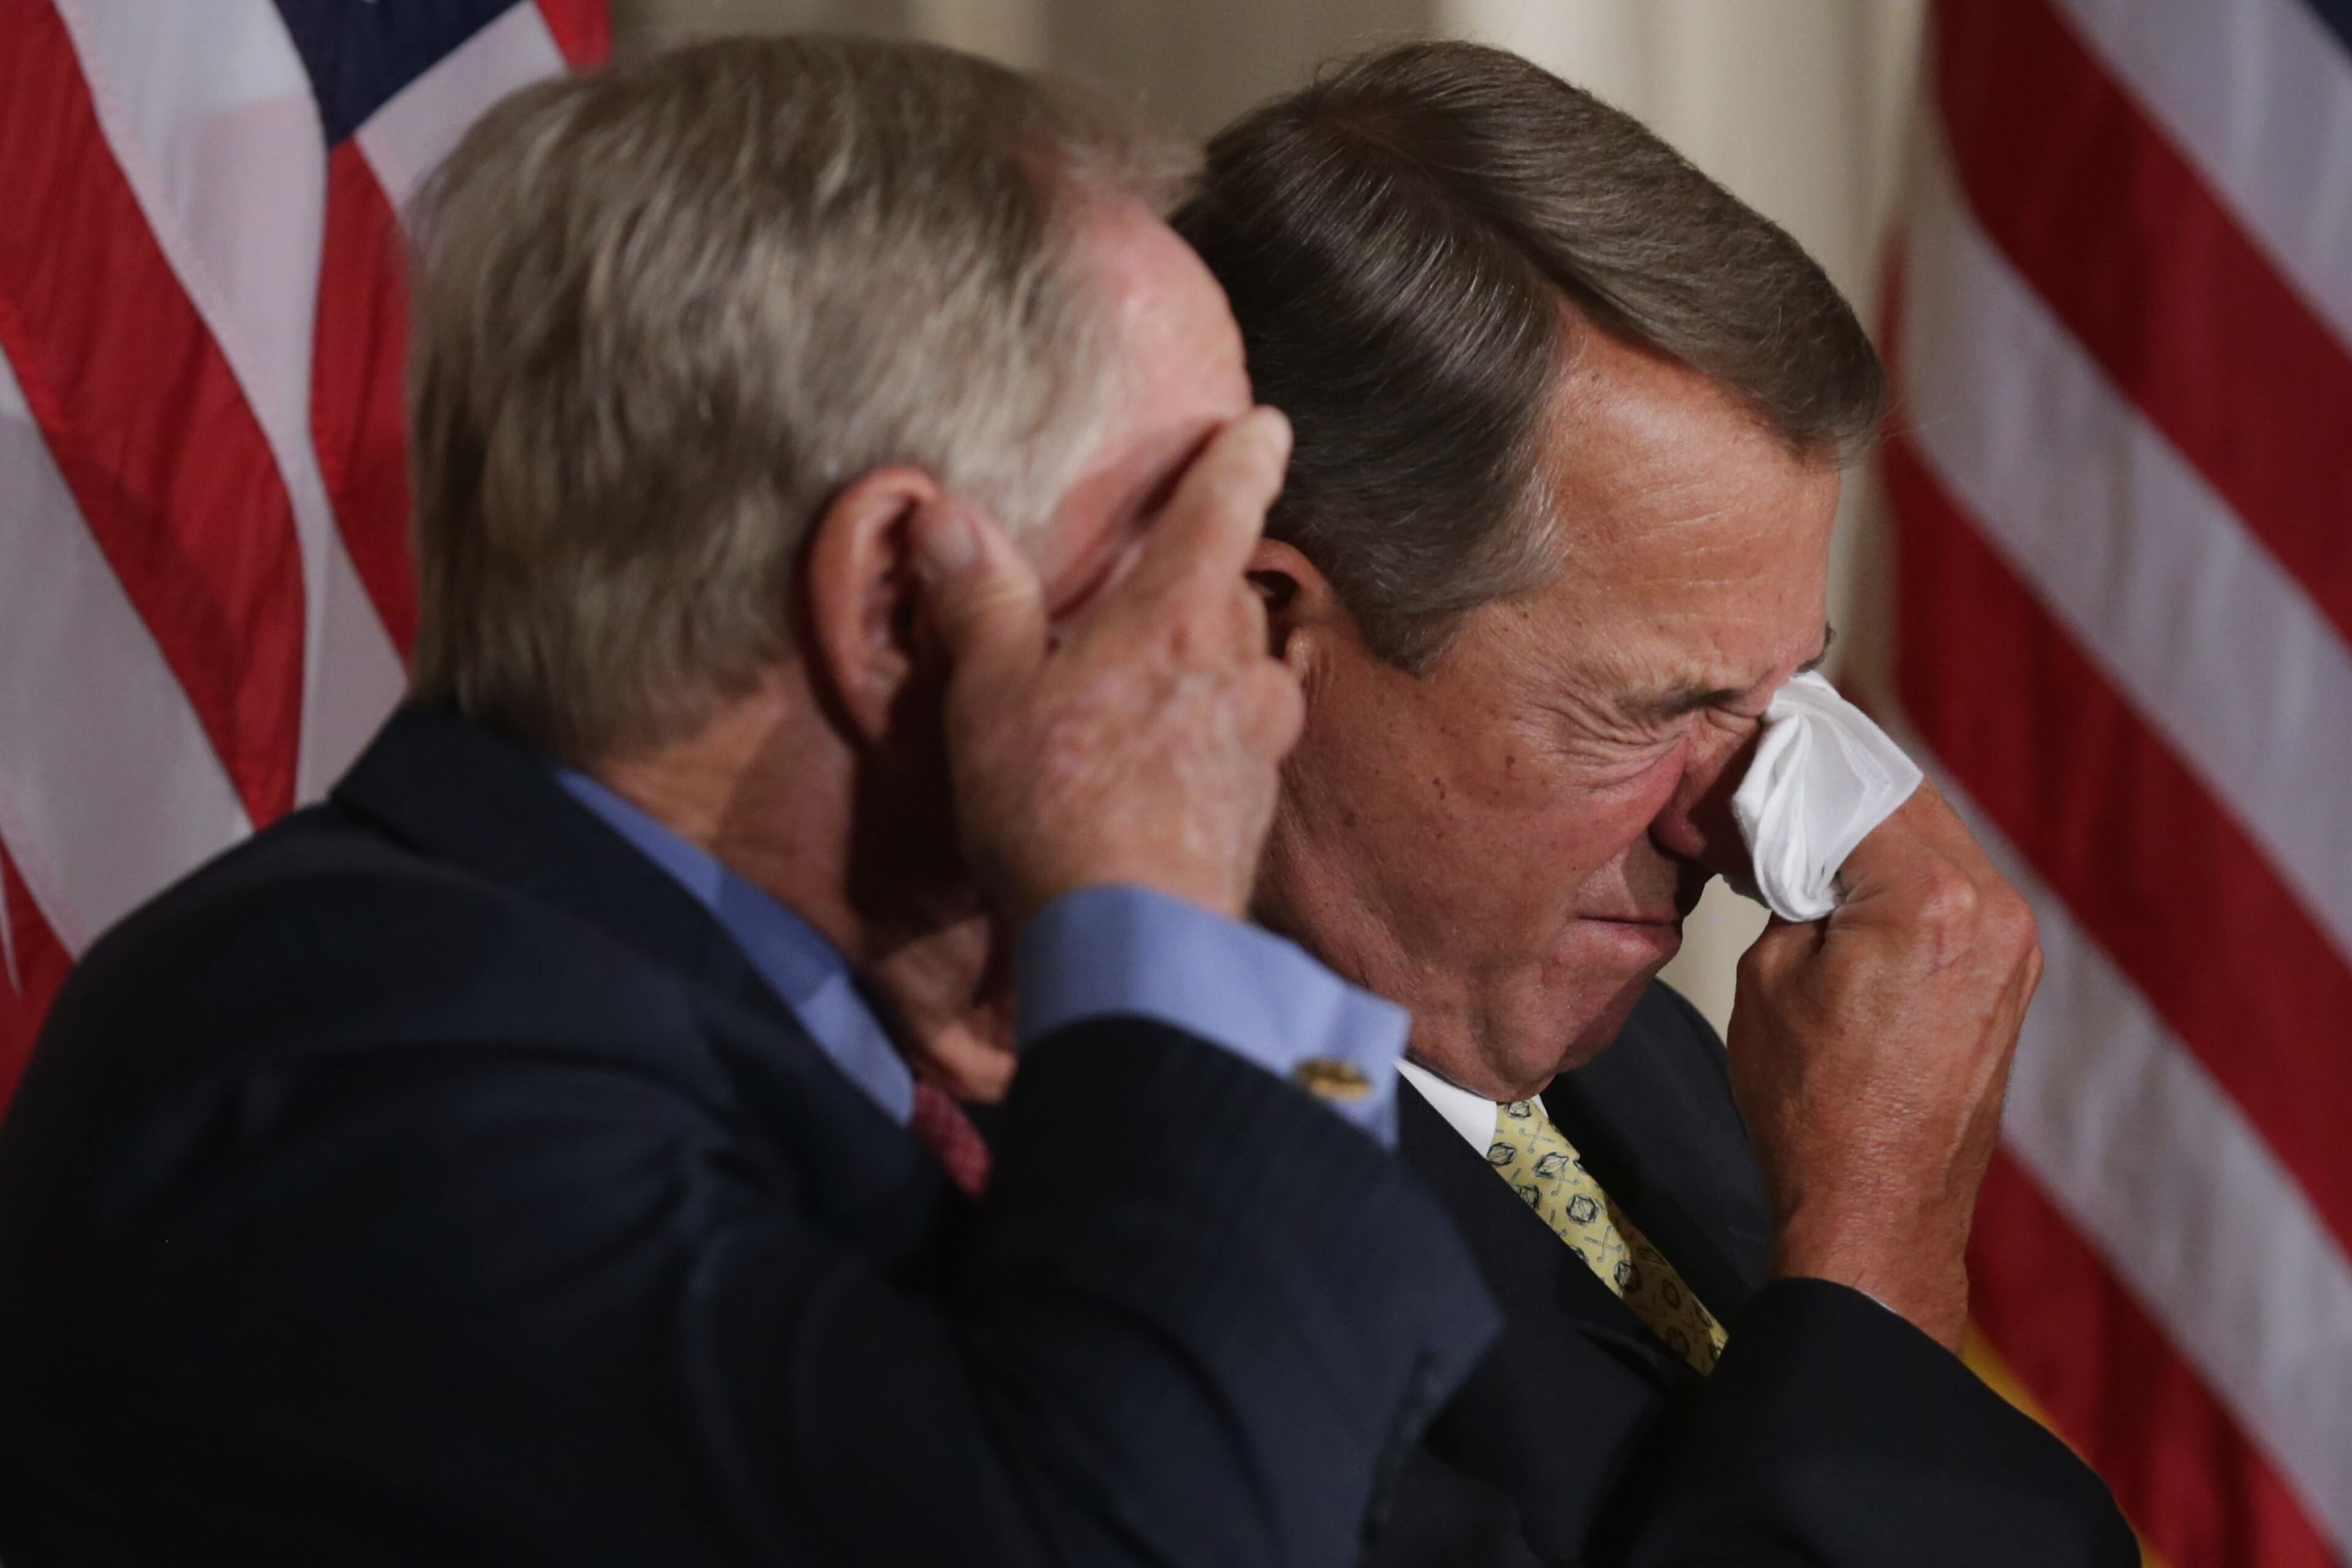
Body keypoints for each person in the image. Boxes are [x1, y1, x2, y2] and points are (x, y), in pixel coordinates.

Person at [0, 39, 1504, 1566]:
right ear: (898, 609)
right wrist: (1162, 921)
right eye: (1185, 553)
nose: (1254, 686)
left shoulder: (934, 1070)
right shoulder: (341, 1054)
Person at [1172, 40, 2139, 1567]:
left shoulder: (1661, 1072)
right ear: (1267, 628)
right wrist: (1875, 1248)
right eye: (1654, 709)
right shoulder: (1113, 1208)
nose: (1732, 832)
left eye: (1774, 703)